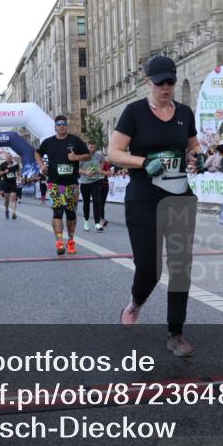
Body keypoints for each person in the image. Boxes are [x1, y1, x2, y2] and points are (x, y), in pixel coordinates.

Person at [109, 55, 200, 358]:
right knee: (149, 269)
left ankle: (176, 333)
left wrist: (196, 155)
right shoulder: (134, 112)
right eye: (159, 82)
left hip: (178, 198)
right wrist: (144, 161)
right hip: (144, 199)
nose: (166, 87)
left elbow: (193, 144)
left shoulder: (184, 113)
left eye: (170, 81)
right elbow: (114, 153)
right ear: (148, 82)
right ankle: (136, 302)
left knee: (180, 267)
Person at [36, 115, 90, 255]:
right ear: (55, 127)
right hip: (55, 183)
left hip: (72, 184)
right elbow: (37, 153)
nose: (61, 126)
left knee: (71, 214)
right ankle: (59, 241)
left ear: (67, 126)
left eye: (64, 124)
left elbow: (88, 155)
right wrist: (42, 165)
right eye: (59, 124)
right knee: (58, 211)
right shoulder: (48, 142)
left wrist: (75, 157)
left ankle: (71, 240)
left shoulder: (75, 140)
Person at [78, 140, 106, 232]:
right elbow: (76, 169)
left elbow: (103, 160)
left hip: (96, 181)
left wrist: (100, 168)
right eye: (90, 147)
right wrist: (85, 172)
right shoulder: (82, 156)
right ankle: (86, 221)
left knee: (96, 201)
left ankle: (97, 223)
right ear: (87, 146)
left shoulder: (98, 156)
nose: (92, 150)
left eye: (94, 148)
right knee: (86, 203)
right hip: (85, 183)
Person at [0, 153, 19, 220]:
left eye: (10, 157)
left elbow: (18, 171)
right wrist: (4, 172)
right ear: (6, 158)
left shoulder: (15, 164)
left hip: (13, 183)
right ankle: (6, 210)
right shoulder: (2, 165)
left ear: (12, 157)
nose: (9, 158)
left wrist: (18, 174)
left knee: (13, 197)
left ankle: (14, 213)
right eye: (8, 157)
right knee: (6, 200)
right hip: (6, 183)